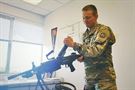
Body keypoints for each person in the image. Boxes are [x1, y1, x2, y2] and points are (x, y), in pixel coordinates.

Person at [64, 4, 117, 90]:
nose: (85, 20)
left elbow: (95, 51)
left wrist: (74, 44)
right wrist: (83, 57)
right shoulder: (85, 35)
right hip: (89, 80)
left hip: (104, 80)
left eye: (88, 18)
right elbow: (88, 52)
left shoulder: (103, 30)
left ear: (96, 16)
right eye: (83, 18)